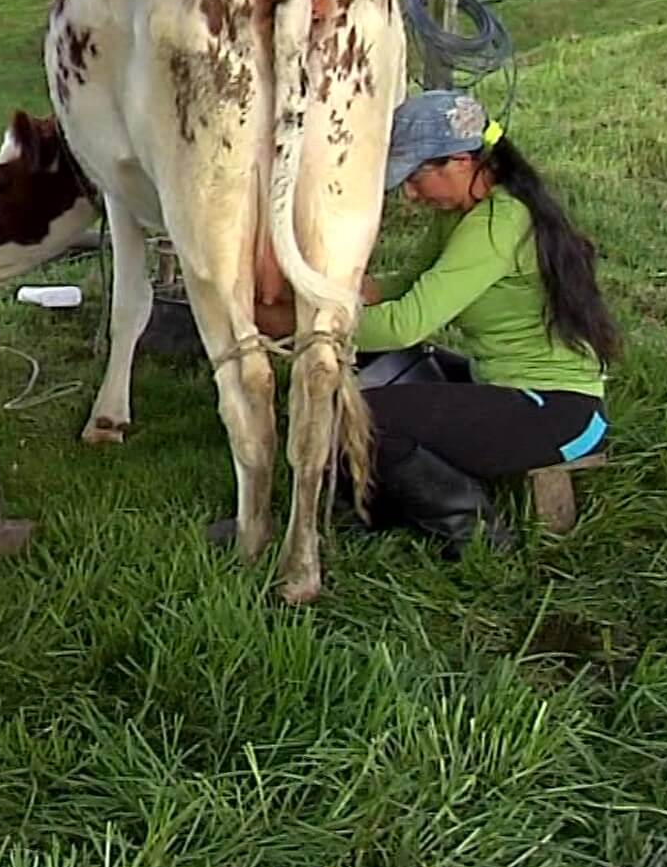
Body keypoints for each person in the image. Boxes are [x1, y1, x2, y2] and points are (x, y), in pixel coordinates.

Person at [255, 89, 621, 555]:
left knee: (365, 417)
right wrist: (318, 286)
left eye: (414, 177)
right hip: (501, 384)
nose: (408, 194)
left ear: (460, 162)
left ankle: (474, 532)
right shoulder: (462, 215)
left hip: (558, 411)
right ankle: (370, 500)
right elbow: (402, 287)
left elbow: (404, 323)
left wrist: (302, 322)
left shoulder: (498, 224)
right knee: (371, 374)